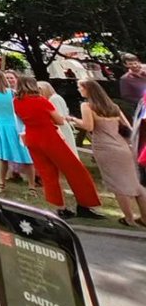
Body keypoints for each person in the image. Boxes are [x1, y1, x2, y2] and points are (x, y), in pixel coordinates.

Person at [13, 74, 102, 219]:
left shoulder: (16, 101)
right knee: (74, 169)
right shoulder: (41, 101)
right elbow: (59, 121)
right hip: (49, 137)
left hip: (32, 138)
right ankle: (85, 204)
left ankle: (60, 208)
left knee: (48, 174)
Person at [70, 80, 146, 227]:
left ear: (88, 89)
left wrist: (73, 119)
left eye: (80, 87)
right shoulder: (114, 107)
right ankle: (144, 217)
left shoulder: (87, 106)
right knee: (135, 184)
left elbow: (88, 126)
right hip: (123, 147)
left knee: (117, 185)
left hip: (105, 148)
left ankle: (129, 218)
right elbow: (128, 128)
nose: (79, 90)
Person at [0, 69, 37, 193]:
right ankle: (32, 186)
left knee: (2, 156)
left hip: (2, 125)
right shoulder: (12, 92)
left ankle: (1, 183)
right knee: (26, 155)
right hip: (17, 125)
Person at [38, 81, 78, 155]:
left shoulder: (54, 99)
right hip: (61, 127)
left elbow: (60, 116)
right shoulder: (55, 97)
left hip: (61, 128)